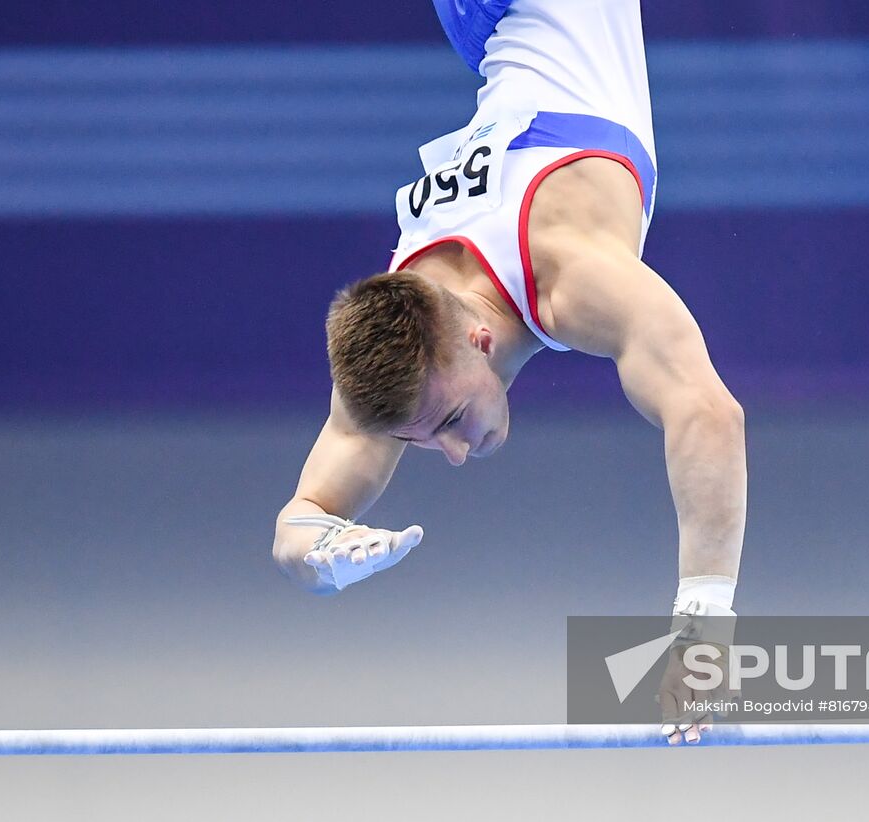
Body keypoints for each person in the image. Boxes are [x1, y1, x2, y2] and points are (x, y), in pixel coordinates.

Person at [272, 0, 746, 745]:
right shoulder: (393, 335)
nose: (456, 454)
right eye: (429, 438)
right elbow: (297, 525)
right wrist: (322, 553)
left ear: (483, 340)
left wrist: (703, 629)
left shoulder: (570, 273)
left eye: (452, 422)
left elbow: (711, 414)